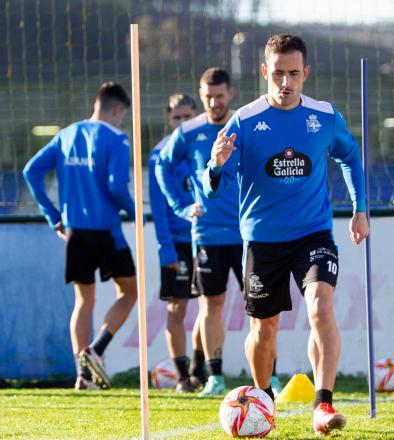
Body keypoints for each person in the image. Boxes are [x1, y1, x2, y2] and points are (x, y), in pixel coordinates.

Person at [203, 34, 369, 435]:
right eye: (277, 73)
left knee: (320, 307)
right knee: (264, 329)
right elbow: (215, 188)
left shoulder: (325, 117)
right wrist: (217, 165)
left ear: (305, 73)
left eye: (293, 73)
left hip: (314, 234)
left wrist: (359, 209)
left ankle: (323, 405)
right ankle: (263, 398)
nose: (285, 82)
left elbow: (349, 156)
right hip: (262, 241)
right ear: (264, 71)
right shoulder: (243, 121)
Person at [23, 82, 138, 391]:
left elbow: (30, 171)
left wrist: (53, 215)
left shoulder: (67, 134)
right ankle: (96, 350)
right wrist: (134, 211)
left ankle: (82, 376)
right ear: (117, 110)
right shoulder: (116, 138)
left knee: (83, 300)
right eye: (122, 116)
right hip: (106, 230)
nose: (121, 121)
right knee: (129, 293)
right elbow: (116, 186)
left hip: (74, 229)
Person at [156, 67, 243, 397]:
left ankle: (271, 378)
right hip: (206, 233)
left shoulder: (245, 125)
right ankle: (216, 378)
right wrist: (181, 206)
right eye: (208, 96)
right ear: (201, 94)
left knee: (260, 306)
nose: (214, 102)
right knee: (211, 304)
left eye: (220, 96)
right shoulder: (189, 131)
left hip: (249, 231)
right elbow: (162, 166)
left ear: (230, 94)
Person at [148, 93, 207, 392]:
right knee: (177, 307)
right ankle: (182, 376)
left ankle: (200, 367)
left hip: (205, 237)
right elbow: (158, 208)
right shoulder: (160, 155)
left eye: (187, 116)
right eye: (176, 118)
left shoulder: (203, 146)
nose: (182, 122)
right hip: (177, 242)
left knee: (208, 304)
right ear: (168, 120)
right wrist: (165, 247)